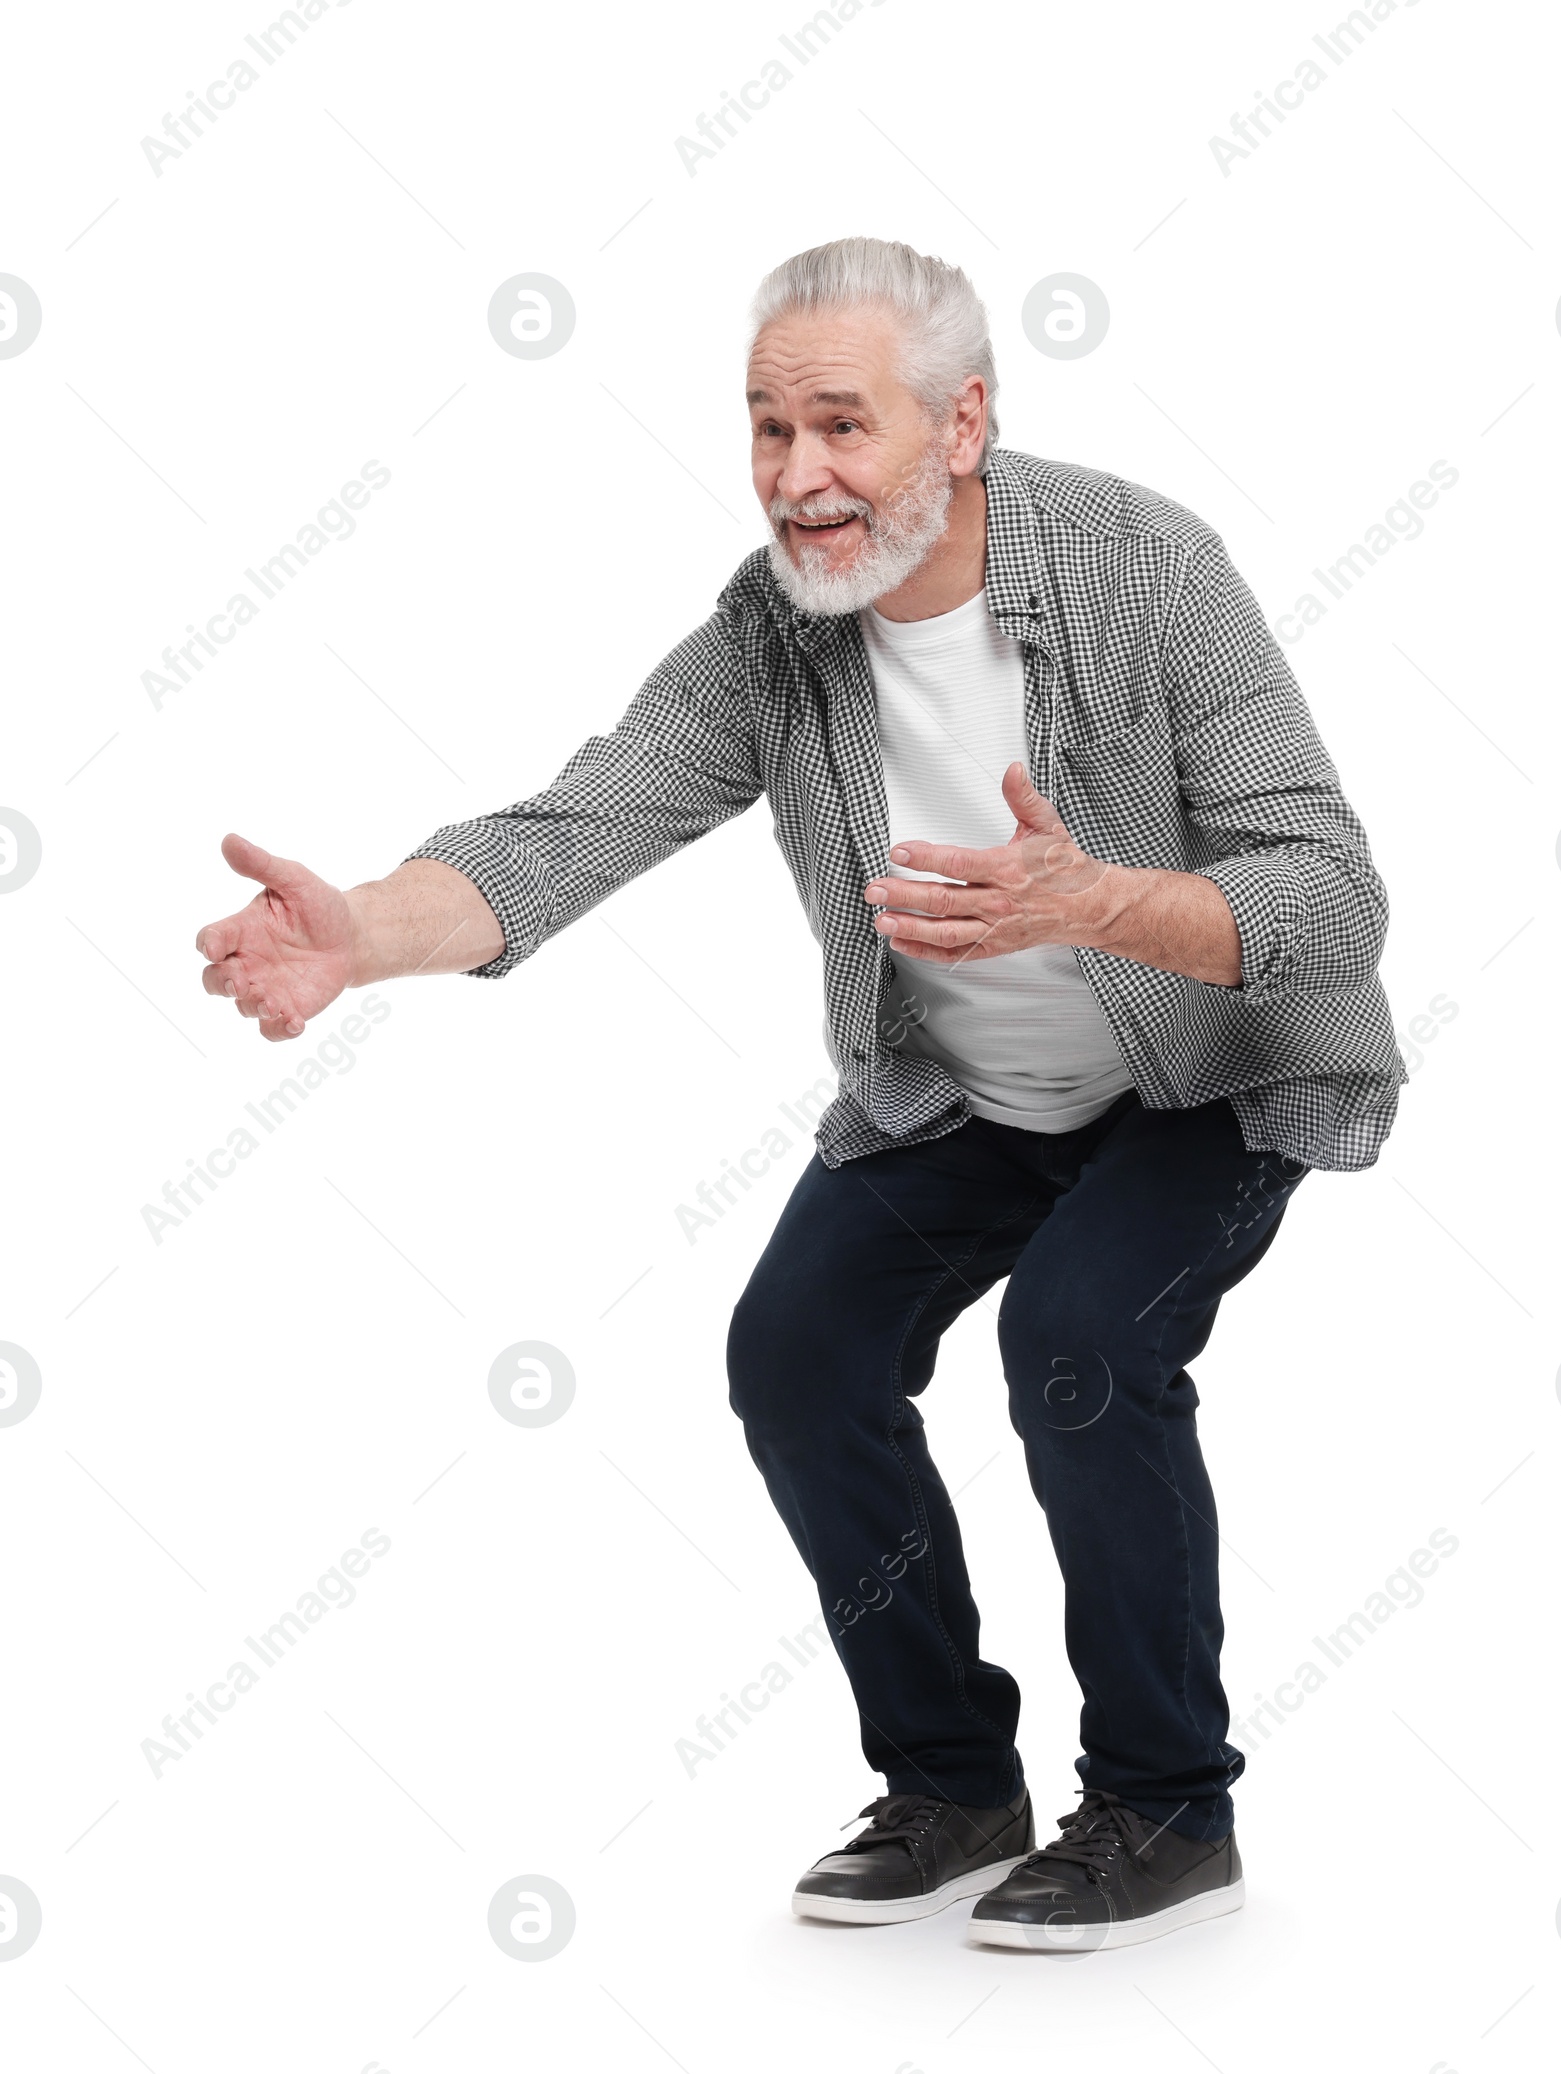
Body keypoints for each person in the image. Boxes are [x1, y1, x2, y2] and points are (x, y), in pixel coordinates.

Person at [196, 236, 1403, 1952]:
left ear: (964, 423)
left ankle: (1162, 1799)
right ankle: (949, 1780)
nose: (797, 476)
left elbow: (1334, 895)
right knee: (798, 1355)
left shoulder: (1146, 567)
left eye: (842, 425)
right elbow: (589, 815)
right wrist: (362, 933)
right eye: (767, 428)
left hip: (1205, 1080)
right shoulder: (778, 631)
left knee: (1077, 1339)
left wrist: (1104, 903)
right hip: (964, 1093)